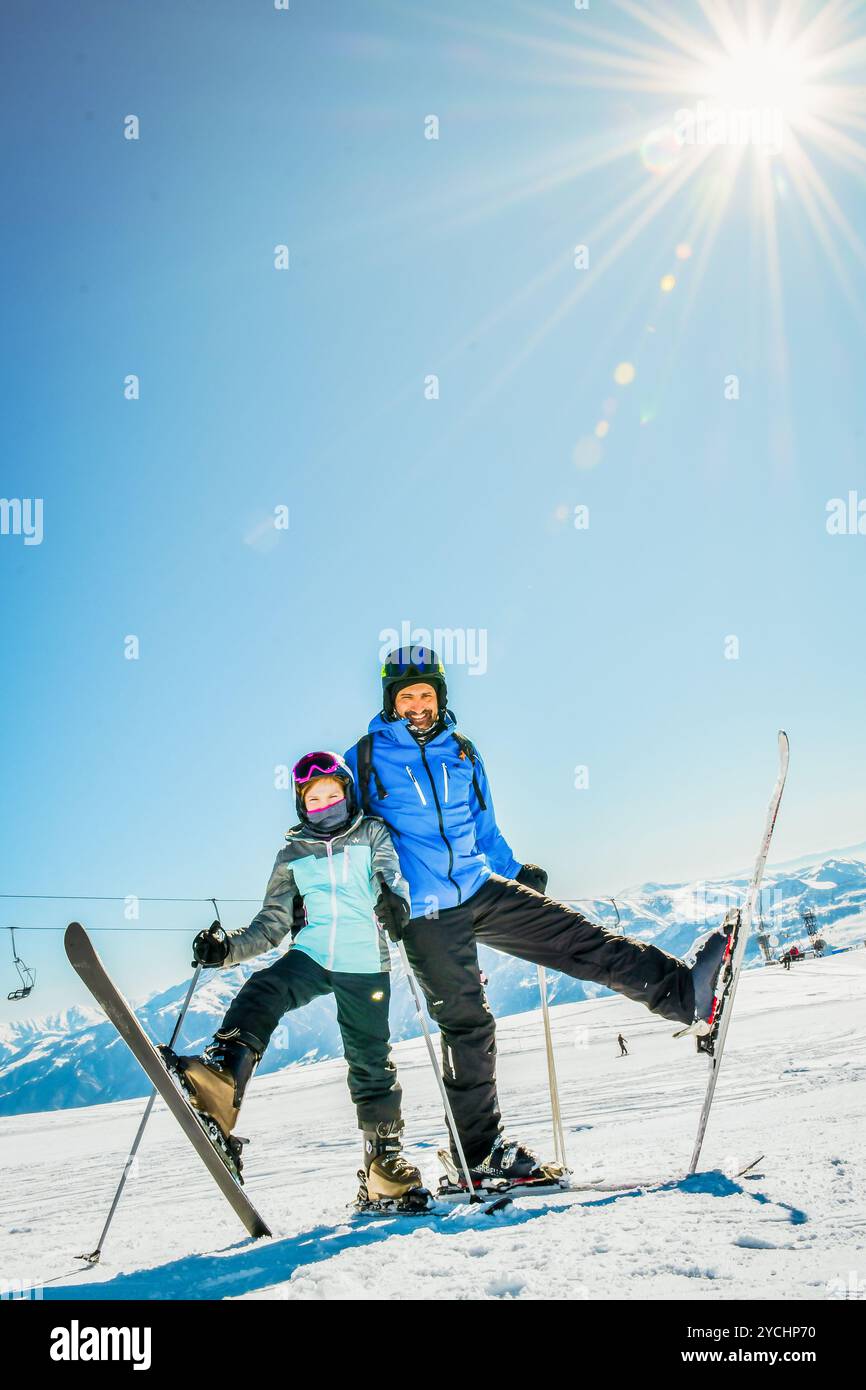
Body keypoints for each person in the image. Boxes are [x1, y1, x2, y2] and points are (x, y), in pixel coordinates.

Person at [344, 646, 733, 1189]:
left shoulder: (462, 751)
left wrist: (513, 871)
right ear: (391, 701)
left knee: (581, 939)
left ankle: (684, 995)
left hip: (481, 885)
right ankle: (477, 1154)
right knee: (469, 1026)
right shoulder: (363, 759)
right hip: (425, 910)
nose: (417, 705)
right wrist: (379, 891)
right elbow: (351, 836)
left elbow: (483, 826)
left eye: (426, 694)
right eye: (406, 696)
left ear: (440, 697)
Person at [166, 751, 425, 1209]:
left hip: (364, 960)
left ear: (348, 795)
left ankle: (383, 1163)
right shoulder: (292, 853)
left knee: (369, 1059)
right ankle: (223, 1081)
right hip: (313, 952)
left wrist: (393, 901)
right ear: (301, 805)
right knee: (265, 988)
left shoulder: (371, 832)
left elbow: (388, 876)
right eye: (314, 799)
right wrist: (226, 949)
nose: (325, 807)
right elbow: (271, 924)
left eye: (333, 796)